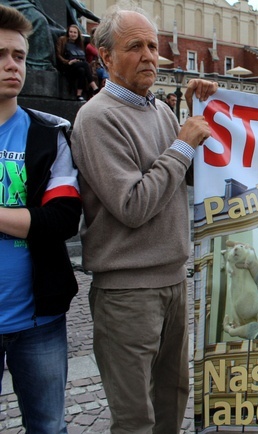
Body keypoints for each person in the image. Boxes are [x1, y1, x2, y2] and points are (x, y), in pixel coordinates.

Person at [70, 4, 216, 433]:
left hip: (174, 280)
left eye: (153, 45)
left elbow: (180, 176)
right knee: (136, 419)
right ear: (105, 58)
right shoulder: (96, 118)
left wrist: (195, 112)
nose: (150, 55)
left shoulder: (159, 110)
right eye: (135, 47)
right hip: (128, 293)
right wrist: (183, 145)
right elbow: (133, 205)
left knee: (173, 402)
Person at [0, 5, 82, 432]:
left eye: (18, 55)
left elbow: (63, 220)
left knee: (49, 427)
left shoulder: (50, 133)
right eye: (0, 55)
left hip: (39, 319)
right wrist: (23, 218)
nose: (12, 65)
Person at [56, 23, 99, 101]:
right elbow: (59, 55)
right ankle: (94, 86)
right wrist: (68, 62)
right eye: (71, 32)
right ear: (68, 32)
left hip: (78, 66)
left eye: (75, 32)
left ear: (78, 34)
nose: (73, 34)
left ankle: (79, 95)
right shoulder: (62, 40)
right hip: (67, 65)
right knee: (85, 64)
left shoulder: (79, 43)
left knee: (82, 70)